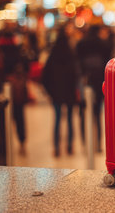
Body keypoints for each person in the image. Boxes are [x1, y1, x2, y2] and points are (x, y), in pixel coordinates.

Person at [42, 26, 79, 156]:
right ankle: (69, 146)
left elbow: (44, 76)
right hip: (69, 93)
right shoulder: (71, 55)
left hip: (56, 93)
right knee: (69, 119)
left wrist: (50, 92)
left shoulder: (53, 56)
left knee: (57, 119)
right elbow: (76, 75)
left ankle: (56, 147)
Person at [76, 25, 113, 151]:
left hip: (86, 80)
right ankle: (98, 143)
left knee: (83, 112)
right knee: (98, 114)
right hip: (99, 80)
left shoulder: (81, 43)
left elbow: (77, 62)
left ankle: (85, 143)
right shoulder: (103, 44)